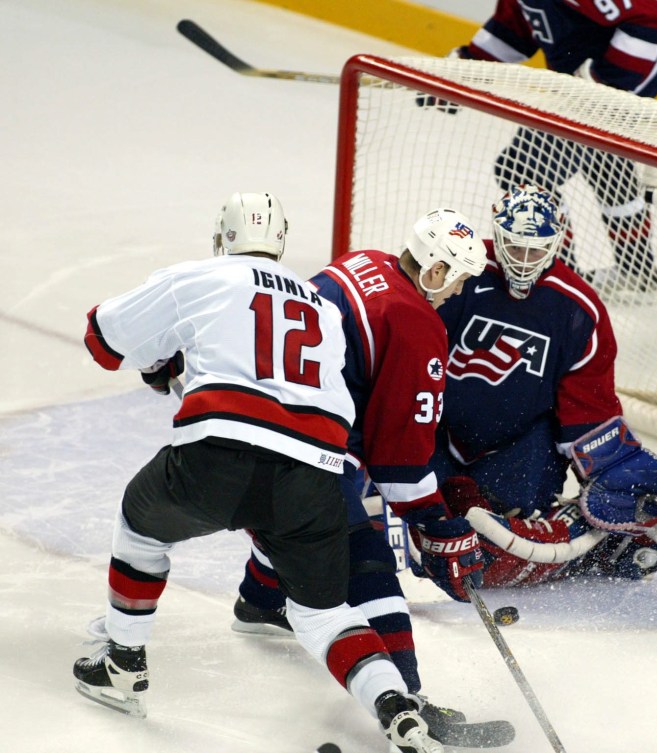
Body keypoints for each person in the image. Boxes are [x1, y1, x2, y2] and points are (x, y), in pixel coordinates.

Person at [74, 192, 444, 753]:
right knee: (324, 616)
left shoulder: (200, 276)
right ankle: (398, 712)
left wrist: (160, 360)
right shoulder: (320, 302)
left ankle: (123, 665)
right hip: (316, 475)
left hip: (217, 459)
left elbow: (102, 339)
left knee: (140, 525)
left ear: (221, 238)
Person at [230, 209, 513, 748]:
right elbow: (399, 462)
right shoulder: (415, 322)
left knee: (304, 514)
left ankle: (261, 599)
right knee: (366, 556)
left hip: (238, 424)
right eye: (455, 281)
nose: (455, 294)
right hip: (293, 450)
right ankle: (408, 702)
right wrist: (434, 522)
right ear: (433, 271)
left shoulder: (359, 264)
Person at [429, 184, 657, 587]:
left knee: (495, 553)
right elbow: (412, 363)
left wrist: (611, 465)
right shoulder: (460, 274)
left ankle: (591, 549)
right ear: (497, 236)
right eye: (515, 248)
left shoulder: (578, 308)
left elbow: (587, 410)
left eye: (536, 251)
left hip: (520, 447)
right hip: (439, 432)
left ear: (556, 243)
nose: (523, 262)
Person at [427, 0, 657, 289]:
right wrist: (466, 71)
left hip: (609, 99)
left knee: (523, 169)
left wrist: (603, 83)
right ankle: (637, 271)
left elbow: (650, 21)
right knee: (607, 173)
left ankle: (557, 275)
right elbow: (514, 32)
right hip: (584, 94)